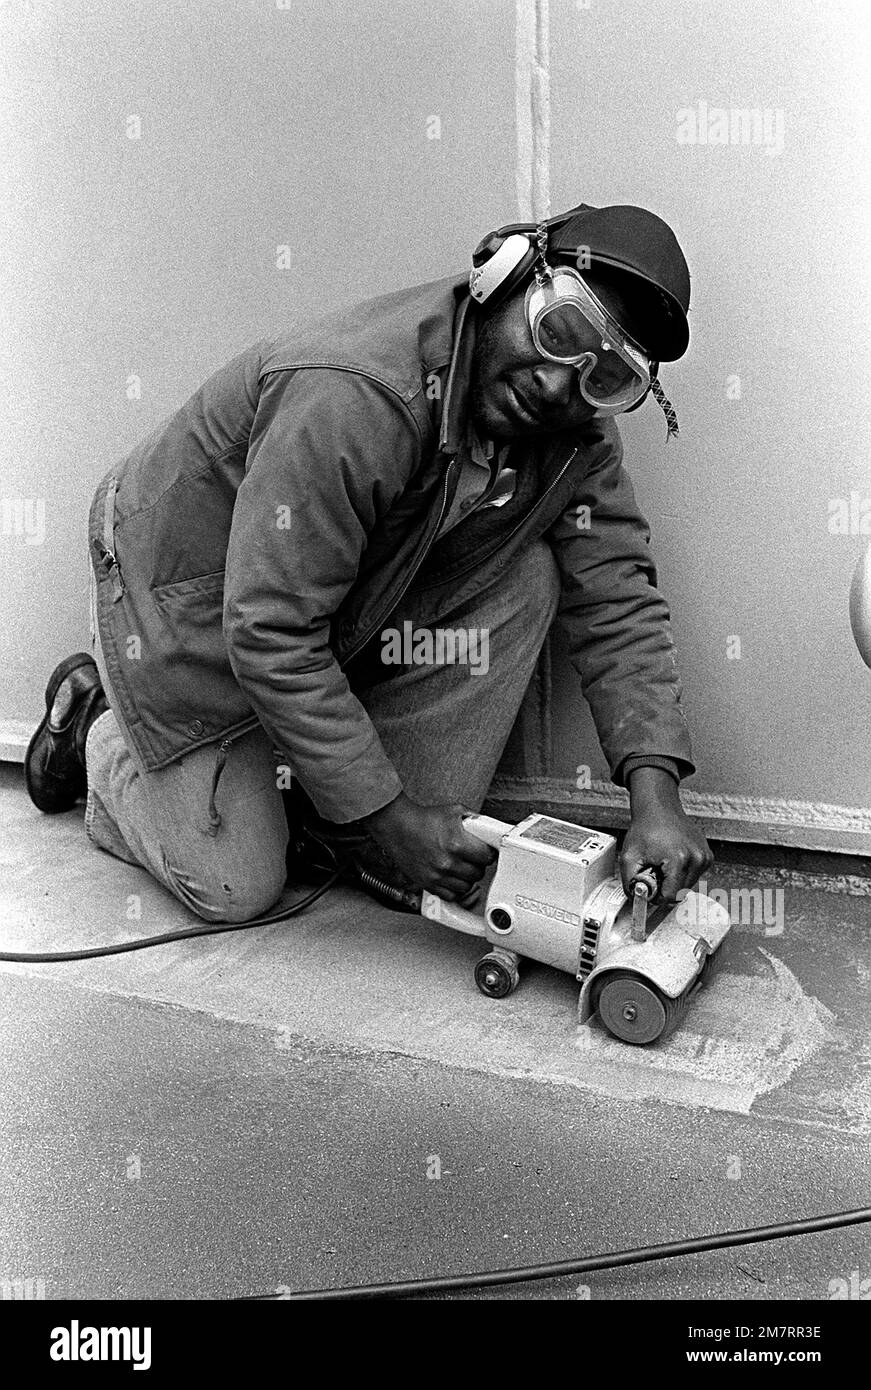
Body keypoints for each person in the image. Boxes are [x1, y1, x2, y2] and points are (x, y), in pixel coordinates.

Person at [25, 201, 713, 922]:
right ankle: (103, 727)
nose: (556, 384)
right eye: (559, 331)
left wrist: (655, 798)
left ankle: (331, 810)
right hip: (178, 590)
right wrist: (388, 817)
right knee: (234, 886)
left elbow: (616, 596)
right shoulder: (357, 392)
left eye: (603, 377)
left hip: (326, 598)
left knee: (530, 578)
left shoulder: (575, 437)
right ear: (504, 276)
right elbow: (270, 628)